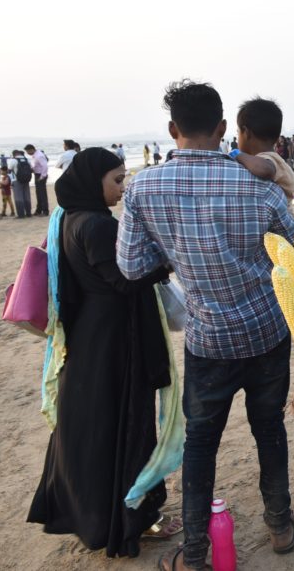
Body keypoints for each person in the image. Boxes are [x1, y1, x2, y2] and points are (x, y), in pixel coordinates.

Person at [118, 80, 294, 571]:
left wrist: (175, 256)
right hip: (267, 331)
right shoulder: (258, 186)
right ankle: (280, 523)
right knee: (269, 428)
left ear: (172, 129)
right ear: (223, 128)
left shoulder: (141, 187)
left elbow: (132, 267)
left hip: (208, 338)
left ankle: (197, 552)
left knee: (201, 442)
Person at [28, 148, 181, 557]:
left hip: (90, 341)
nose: (122, 187)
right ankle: (136, 518)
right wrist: (166, 261)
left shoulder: (68, 219)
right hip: (115, 343)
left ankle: (99, 516)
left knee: (97, 431)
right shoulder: (96, 225)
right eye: (116, 179)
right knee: (128, 428)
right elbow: (124, 281)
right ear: (93, 181)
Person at [228, 98, 294, 201]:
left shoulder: (267, 158)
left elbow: (265, 169)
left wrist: (237, 154)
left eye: (238, 132)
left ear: (246, 132)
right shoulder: (275, 158)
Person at [26, 144, 50, 216]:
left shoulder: (39, 155)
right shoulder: (35, 155)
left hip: (41, 175)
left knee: (42, 194)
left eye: (28, 151)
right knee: (38, 194)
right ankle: (39, 210)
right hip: (37, 174)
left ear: (31, 149)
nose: (28, 153)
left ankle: (45, 211)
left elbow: (45, 166)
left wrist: (42, 176)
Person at [10, 149, 33, 218]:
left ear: (14, 154)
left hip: (17, 180)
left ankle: (21, 214)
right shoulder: (27, 160)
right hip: (26, 180)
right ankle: (28, 213)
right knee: (27, 196)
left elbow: (9, 170)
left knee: (18, 197)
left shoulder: (13, 160)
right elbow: (31, 169)